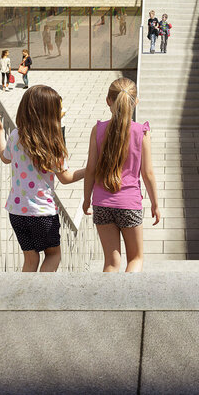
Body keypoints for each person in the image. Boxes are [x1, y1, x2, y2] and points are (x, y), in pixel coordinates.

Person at [0, 86, 84, 273]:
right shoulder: (52, 143)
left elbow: (4, 157)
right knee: (53, 255)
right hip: (43, 214)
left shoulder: (16, 135)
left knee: (31, 260)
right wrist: (91, 170)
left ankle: (25, 299)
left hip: (16, 212)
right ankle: (40, 297)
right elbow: (65, 178)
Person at [82, 77, 160, 273]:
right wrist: (155, 204)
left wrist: (86, 199)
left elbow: (90, 169)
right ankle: (127, 301)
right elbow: (148, 173)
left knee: (111, 261)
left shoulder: (98, 130)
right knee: (135, 258)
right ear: (136, 102)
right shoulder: (141, 132)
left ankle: (108, 302)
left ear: (108, 100)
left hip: (101, 203)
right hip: (129, 203)